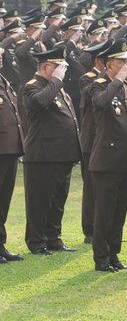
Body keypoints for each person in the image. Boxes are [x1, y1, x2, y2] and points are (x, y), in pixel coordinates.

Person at [23, 46, 81, 255]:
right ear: (46, 67)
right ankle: (37, 241)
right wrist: (56, 80)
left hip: (63, 154)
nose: (61, 71)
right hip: (43, 155)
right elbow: (39, 103)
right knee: (39, 201)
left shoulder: (55, 86)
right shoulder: (32, 87)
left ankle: (53, 238)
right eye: (58, 67)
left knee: (58, 200)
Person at [89, 38, 127, 272]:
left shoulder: (126, 87)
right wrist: (116, 81)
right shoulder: (98, 84)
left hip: (124, 160)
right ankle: (101, 258)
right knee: (104, 213)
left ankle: (114, 254)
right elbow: (101, 102)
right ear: (109, 65)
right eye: (122, 61)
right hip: (106, 161)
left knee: (119, 212)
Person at [78, 38, 114, 244]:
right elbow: (90, 95)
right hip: (91, 140)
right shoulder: (87, 79)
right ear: (101, 62)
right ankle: (89, 229)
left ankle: (104, 227)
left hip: (108, 140)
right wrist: (106, 75)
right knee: (91, 187)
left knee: (107, 188)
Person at [0, 49, 24, 263]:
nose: (1, 57)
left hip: (9, 149)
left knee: (3, 201)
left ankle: (1, 245)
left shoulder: (3, 80)